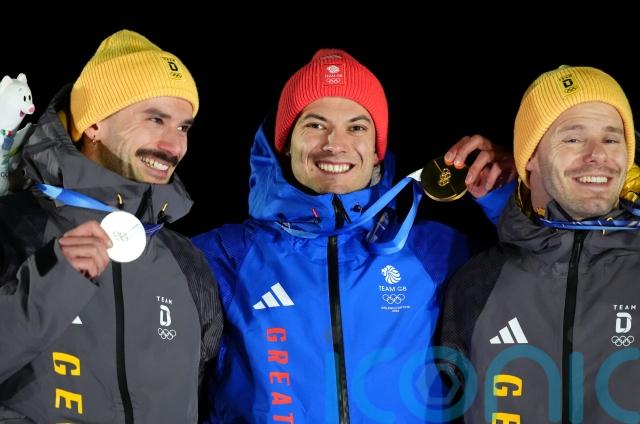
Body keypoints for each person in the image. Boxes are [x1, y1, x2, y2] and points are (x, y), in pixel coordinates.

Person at [193, 48, 516, 423]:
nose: (335, 143)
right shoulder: (224, 256)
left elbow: (542, 275)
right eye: (315, 125)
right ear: (286, 144)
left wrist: (507, 196)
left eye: (357, 127)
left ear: (377, 150)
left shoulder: (435, 251)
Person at [0, 30, 223, 423]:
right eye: (156, 119)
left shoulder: (188, 261)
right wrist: (50, 285)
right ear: (94, 125)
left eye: (183, 127)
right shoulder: (13, 225)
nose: (174, 146)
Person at [438, 65, 640, 422]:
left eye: (612, 139)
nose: (598, 154)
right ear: (529, 156)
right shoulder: (476, 282)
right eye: (573, 139)